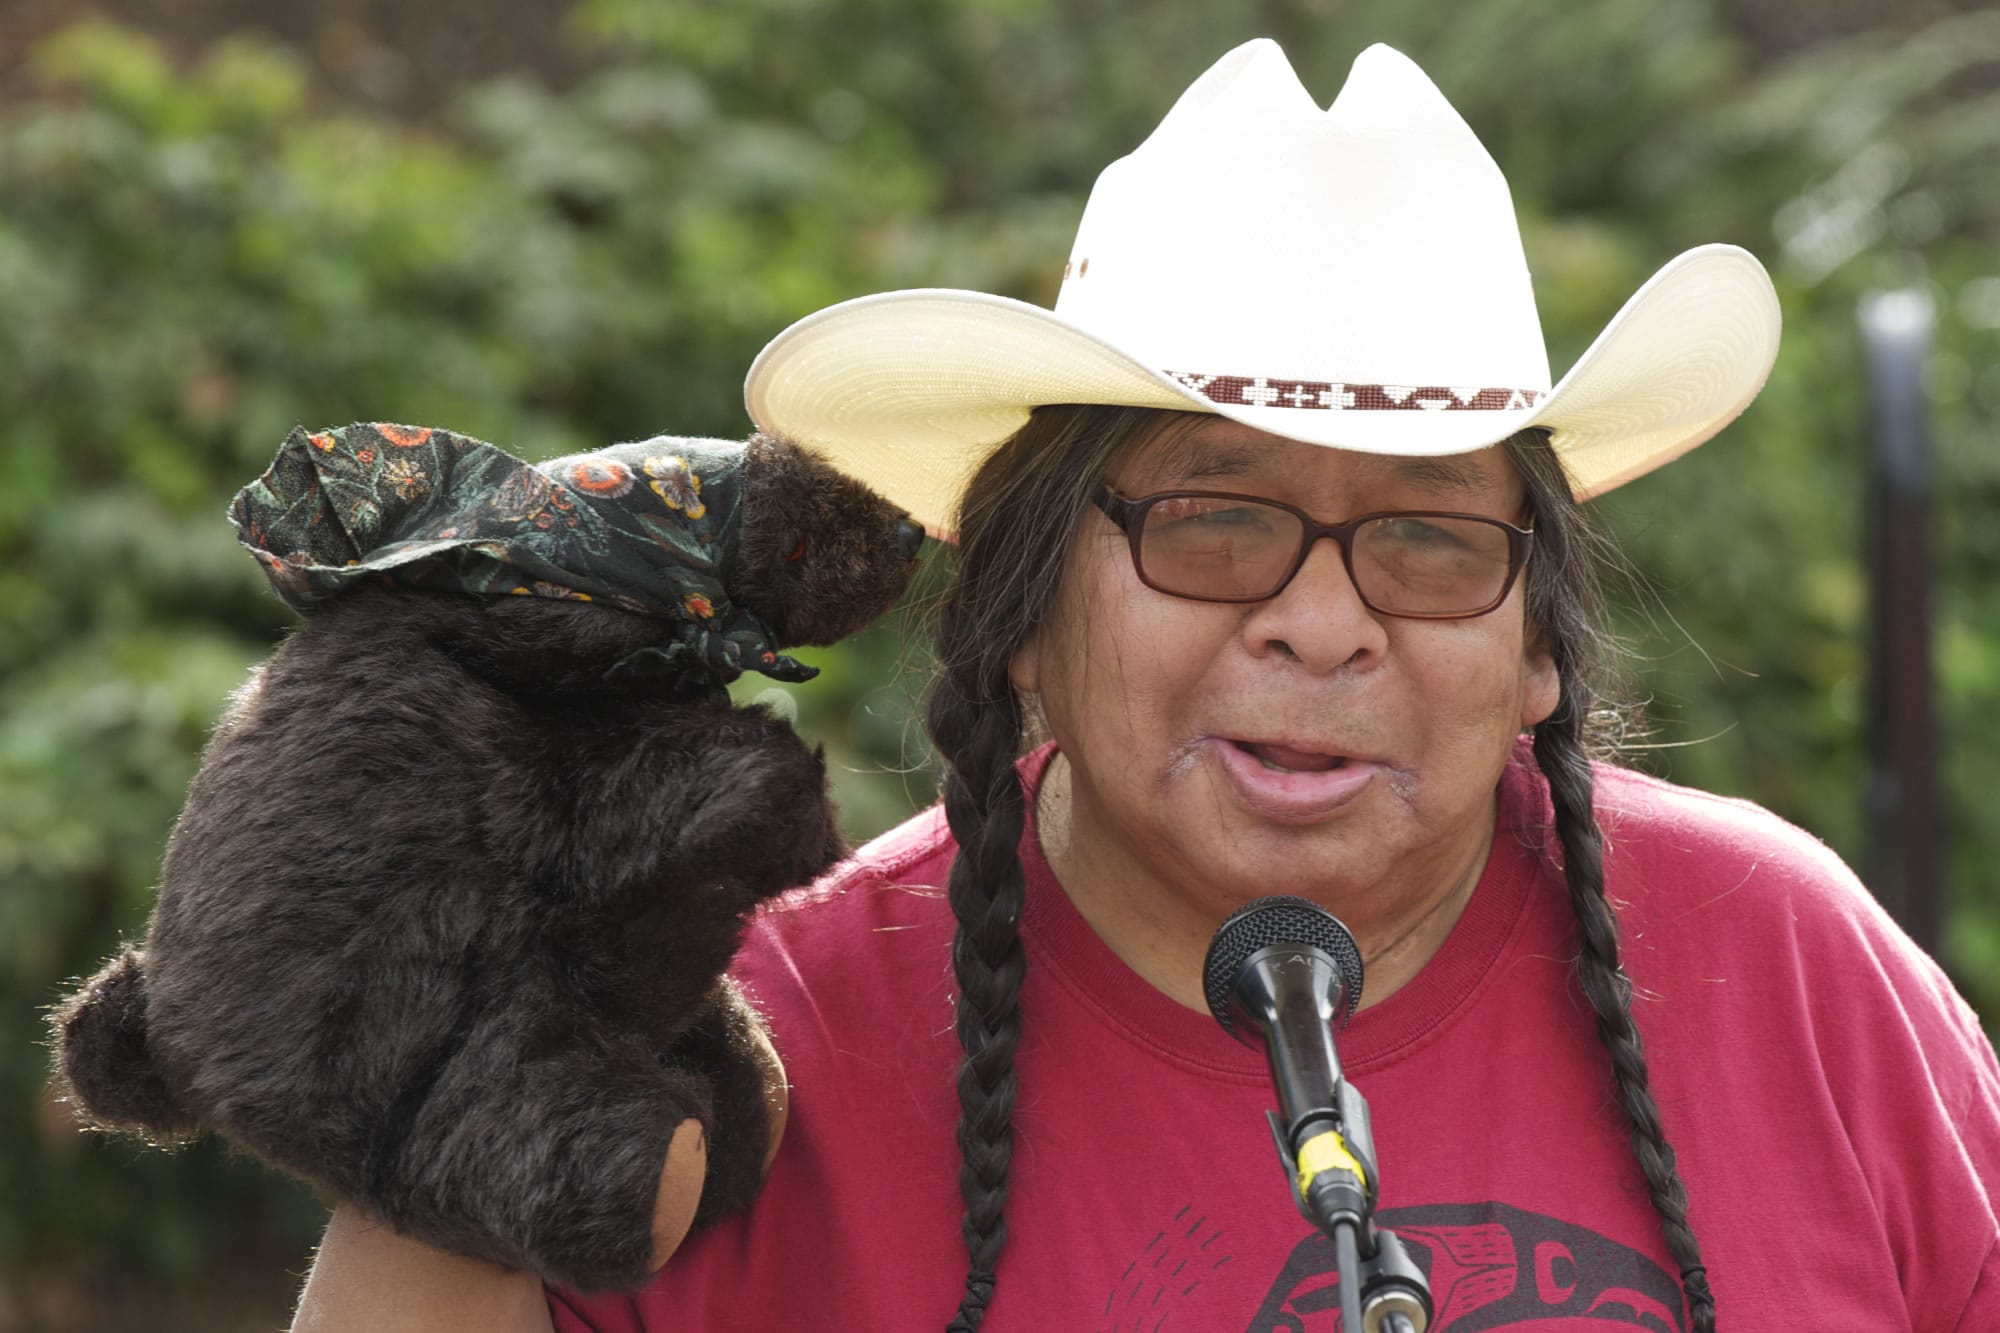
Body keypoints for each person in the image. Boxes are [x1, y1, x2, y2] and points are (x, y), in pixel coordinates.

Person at [292, 39, 2000, 1332]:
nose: (1323, 628)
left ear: (1537, 645)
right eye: (1213, 521)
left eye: (1423, 539)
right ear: (1023, 611)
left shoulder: (1799, 972)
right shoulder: (744, 1053)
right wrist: (443, 1075)